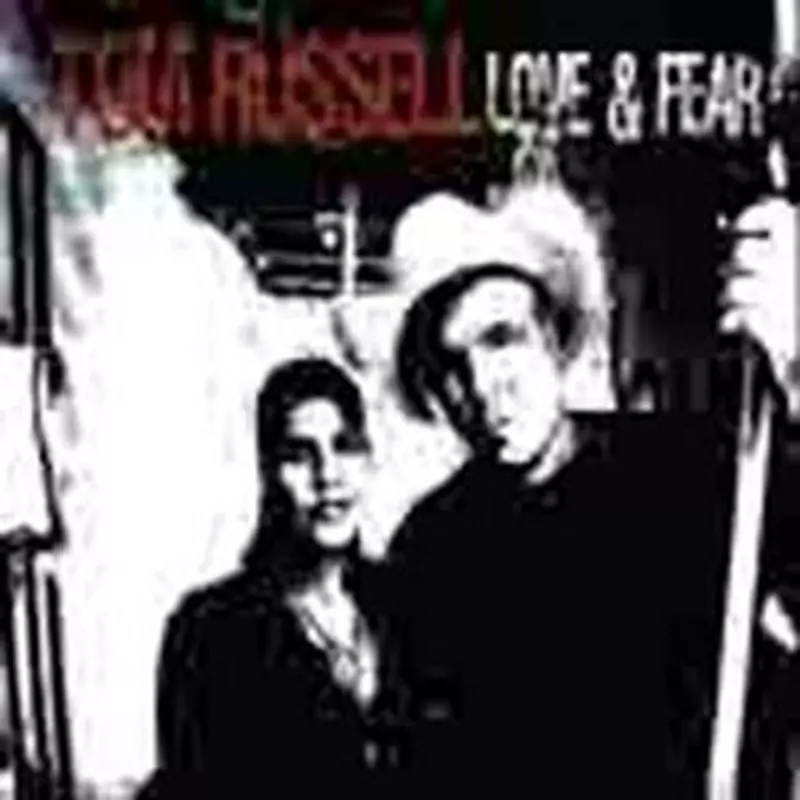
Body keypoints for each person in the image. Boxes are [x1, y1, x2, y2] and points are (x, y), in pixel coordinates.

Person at [370, 182, 800, 796]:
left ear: (552, 335)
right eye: (451, 365)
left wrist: (795, 365)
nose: (483, 386)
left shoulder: (683, 475)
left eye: (501, 339)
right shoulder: (429, 550)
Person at [142, 358, 401, 798]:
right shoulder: (211, 631)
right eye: (299, 455)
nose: (328, 476)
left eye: (345, 447)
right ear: (268, 473)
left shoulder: (405, 603)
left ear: (369, 460)